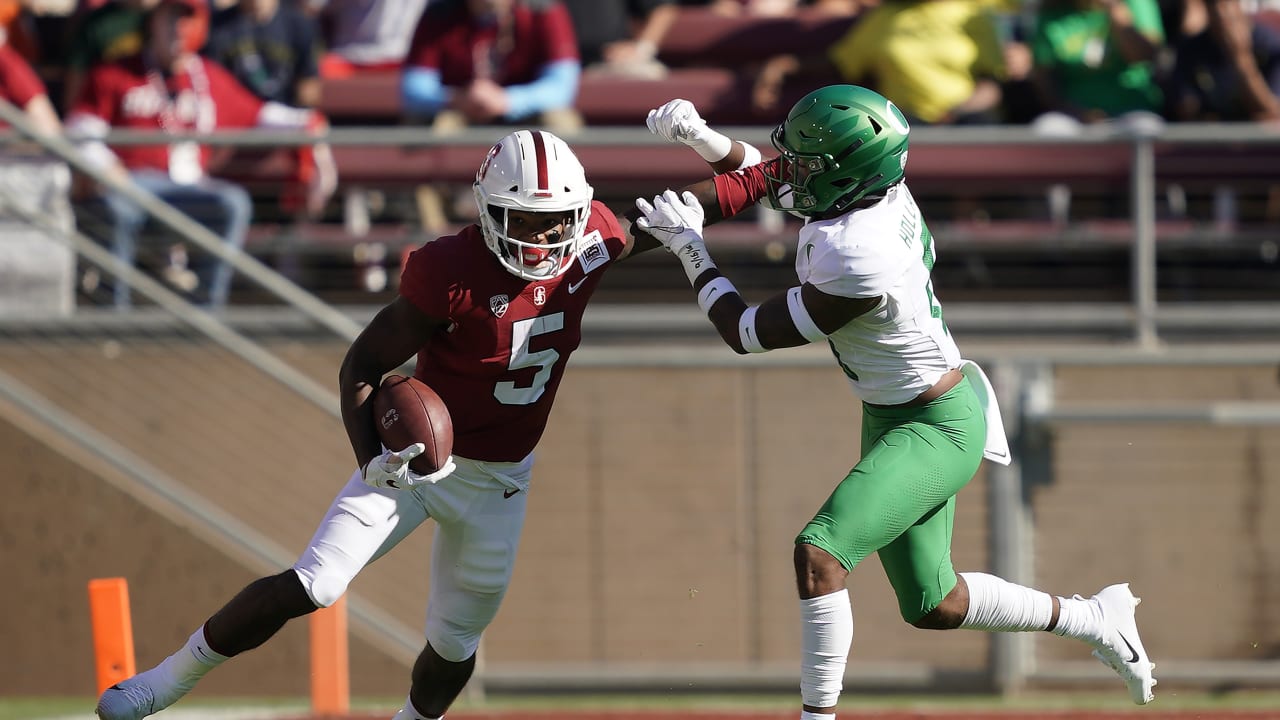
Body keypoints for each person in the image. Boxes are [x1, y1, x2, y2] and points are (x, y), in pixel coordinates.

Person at [94, 128, 664, 720]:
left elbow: (701, 203)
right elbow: (363, 364)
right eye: (522, 220)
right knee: (317, 582)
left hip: (502, 481)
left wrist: (765, 173)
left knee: (455, 641)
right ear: (490, 212)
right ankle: (160, 683)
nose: (543, 237)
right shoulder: (451, 268)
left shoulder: (592, 242)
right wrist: (372, 459)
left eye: (555, 219)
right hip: (416, 462)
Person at [633, 86, 1158, 715]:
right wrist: (701, 136)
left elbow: (745, 333)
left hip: (934, 424)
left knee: (820, 554)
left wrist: (690, 249)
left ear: (848, 174)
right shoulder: (875, 190)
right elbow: (779, 178)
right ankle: (1095, 618)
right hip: (898, 413)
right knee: (935, 605)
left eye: (809, 162)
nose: (793, 172)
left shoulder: (858, 251)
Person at [66, 0, 335, 309]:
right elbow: (79, 130)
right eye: (171, 19)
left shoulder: (207, 77)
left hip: (189, 189)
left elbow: (260, 113)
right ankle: (115, 318)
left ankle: (206, 311)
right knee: (115, 207)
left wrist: (308, 122)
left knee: (232, 203)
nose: (179, 30)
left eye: (188, 20)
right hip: (130, 185)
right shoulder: (115, 73)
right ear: (153, 22)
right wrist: (107, 166)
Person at [203, 0, 323, 107]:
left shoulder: (300, 25)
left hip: (284, 116)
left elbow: (309, 87)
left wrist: (296, 118)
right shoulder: (217, 25)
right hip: (237, 116)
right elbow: (213, 83)